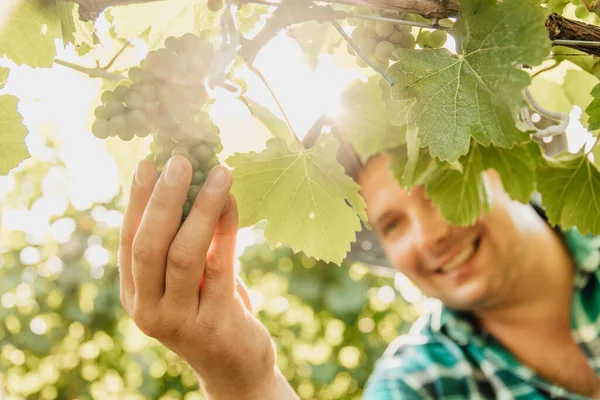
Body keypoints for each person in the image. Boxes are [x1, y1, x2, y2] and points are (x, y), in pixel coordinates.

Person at [117, 137, 600, 399]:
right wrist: (247, 382)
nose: (428, 237)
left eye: (436, 190)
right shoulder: (421, 381)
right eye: (391, 224)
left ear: (505, 160)